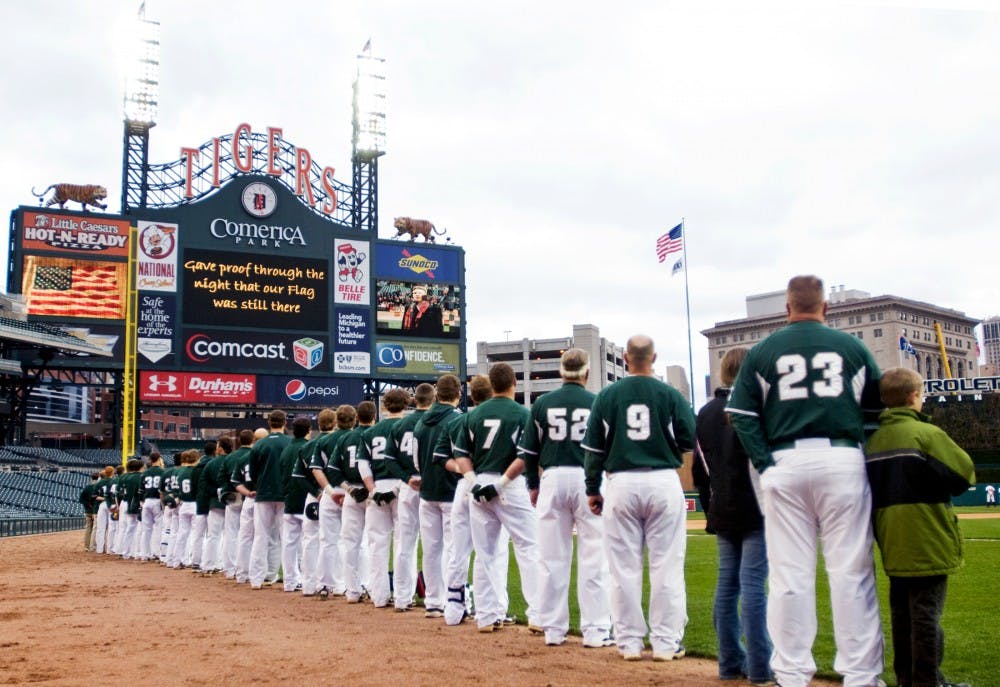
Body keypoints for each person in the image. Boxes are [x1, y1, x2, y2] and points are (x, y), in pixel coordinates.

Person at [727, 275, 885, 687]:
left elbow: (741, 414)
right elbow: (875, 409)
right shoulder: (853, 347)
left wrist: (765, 463)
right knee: (851, 572)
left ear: (787, 308)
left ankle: (792, 673)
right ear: (825, 307)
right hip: (842, 458)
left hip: (785, 462)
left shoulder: (763, 350)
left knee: (789, 575)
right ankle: (862, 676)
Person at [582, 335, 696, 661]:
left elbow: (593, 451)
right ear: (654, 357)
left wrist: (592, 488)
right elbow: (688, 439)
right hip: (662, 479)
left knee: (623, 569)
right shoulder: (670, 394)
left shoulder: (607, 396)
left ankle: (629, 642)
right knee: (666, 566)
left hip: (621, 482)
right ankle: (665, 643)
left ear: (626, 359)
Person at [865, 367, 975, 687]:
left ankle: (906, 679)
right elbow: (964, 475)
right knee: (926, 616)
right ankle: (928, 682)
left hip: (891, 541)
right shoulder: (927, 434)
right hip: (928, 538)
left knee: (903, 616)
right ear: (914, 395)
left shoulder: (873, 442)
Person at [518, 348, 613, 649]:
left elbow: (529, 452)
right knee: (594, 557)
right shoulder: (598, 401)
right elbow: (606, 449)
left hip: (553, 478)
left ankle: (553, 630)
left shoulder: (543, 402)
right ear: (586, 373)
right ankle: (596, 630)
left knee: (551, 558)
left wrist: (533, 483)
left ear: (561, 372)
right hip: (588, 478)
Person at [696, 347, 773, 684]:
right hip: (756, 507)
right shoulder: (758, 407)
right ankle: (760, 668)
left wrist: (708, 504)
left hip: (723, 506)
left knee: (728, 584)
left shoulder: (706, 411)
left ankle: (729, 664)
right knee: (754, 584)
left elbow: (700, 468)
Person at [453, 362, 541, 633]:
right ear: (514, 381)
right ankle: (539, 614)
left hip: (478, 483)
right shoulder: (522, 413)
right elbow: (527, 455)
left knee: (485, 552)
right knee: (529, 547)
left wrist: (473, 482)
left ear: (491, 384)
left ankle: (487, 616)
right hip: (510, 484)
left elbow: (460, 454)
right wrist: (501, 484)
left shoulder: (472, 415)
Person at [410, 375, 462, 618]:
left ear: (437, 394)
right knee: (454, 549)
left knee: (431, 549)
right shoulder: (457, 419)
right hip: (451, 490)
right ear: (458, 393)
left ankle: (433, 601)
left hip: (427, 491)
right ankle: (454, 600)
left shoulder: (421, 423)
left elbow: (416, 461)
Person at [387, 383, 434, 612]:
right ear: (432, 399)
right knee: (435, 544)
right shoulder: (435, 420)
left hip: (408, 485)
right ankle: (435, 598)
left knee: (405, 543)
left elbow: (388, 459)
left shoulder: (399, 425)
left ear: (415, 400)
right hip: (431, 485)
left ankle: (402, 597)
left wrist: (406, 478)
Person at [364, 389, 412, 609]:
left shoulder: (371, 431)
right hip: (402, 486)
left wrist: (372, 490)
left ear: (384, 406)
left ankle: (379, 596)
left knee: (377, 544)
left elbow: (362, 464)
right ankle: (403, 598)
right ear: (405, 404)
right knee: (404, 543)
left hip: (377, 485)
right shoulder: (408, 426)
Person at [248, 410, 291, 590]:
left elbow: (252, 473)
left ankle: (256, 579)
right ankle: (287, 579)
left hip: (263, 493)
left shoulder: (259, 444)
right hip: (285, 494)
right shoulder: (289, 442)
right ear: (284, 423)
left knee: (261, 536)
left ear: (269, 423)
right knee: (286, 537)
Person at [280, 417, 313, 593]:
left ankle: (290, 581)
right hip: (305, 499)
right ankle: (309, 580)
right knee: (309, 541)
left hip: (289, 498)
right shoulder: (308, 447)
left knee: (289, 542)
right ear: (308, 430)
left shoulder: (286, 450)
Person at [221, 431, 253, 579]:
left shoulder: (229, 457)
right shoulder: (254, 455)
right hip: (251, 496)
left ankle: (230, 569)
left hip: (233, 497)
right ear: (252, 440)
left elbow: (220, 478)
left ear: (239, 441)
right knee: (249, 534)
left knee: (231, 533)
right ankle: (248, 568)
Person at [137, 453, 166, 561]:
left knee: (146, 529)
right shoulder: (163, 472)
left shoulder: (145, 473)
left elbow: (140, 490)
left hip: (146, 501)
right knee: (158, 528)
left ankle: (145, 554)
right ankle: (156, 552)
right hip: (158, 501)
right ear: (159, 459)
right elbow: (163, 490)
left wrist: (141, 501)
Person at [117, 458, 145, 559]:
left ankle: (125, 551)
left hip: (124, 502)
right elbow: (138, 493)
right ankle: (135, 552)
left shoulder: (124, 476)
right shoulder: (138, 477)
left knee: (126, 529)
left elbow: (118, 492)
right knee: (138, 529)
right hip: (133, 503)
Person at [79, 472, 100, 552]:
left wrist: (88, 504)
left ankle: (86, 546)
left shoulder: (87, 487)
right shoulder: (98, 487)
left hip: (88, 511)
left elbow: (81, 500)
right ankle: (93, 546)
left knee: (88, 529)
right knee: (96, 529)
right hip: (96, 511)